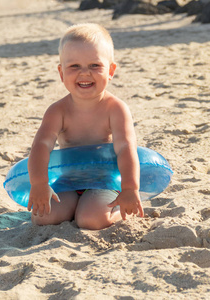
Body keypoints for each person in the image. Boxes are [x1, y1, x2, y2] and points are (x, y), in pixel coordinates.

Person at [27, 23, 144, 230]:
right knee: (43, 217)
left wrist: (129, 188)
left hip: (103, 182)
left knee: (91, 220)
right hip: (68, 182)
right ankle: (76, 207)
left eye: (94, 65)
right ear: (61, 73)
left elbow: (126, 148)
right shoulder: (58, 111)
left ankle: (115, 211)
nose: (85, 73)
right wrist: (39, 184)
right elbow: (41, 147)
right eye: (74, 67)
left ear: (111, 71)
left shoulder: (115, 109)